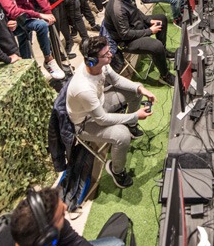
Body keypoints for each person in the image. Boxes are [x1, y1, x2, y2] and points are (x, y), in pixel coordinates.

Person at [66, 37, 155, 189]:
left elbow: (117, 80)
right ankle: (117, 171)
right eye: (106, 54)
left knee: (135, 89)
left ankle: (132, 126)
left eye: (108, 51)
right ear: (92, 61)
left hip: (100, 104)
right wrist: (134, 115)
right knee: (122, 135)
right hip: (85, 123)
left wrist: (140, 88)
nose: (111, 55)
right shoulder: (83, 88)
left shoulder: (101, 65)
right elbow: (102, 119)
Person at [104, 0, 175, 86]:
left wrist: (148, 20)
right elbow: (125, 34)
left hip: (134, 27)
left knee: (161, 19)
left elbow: (136, 12)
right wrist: (149, 31)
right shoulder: (118, 9)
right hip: (126, 41)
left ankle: (163, 53)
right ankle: (165, 75)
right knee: (156, 46)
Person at [9, 186, 126, 246]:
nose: (66, 207)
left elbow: (75, 243)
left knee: (117, 244)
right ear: (46, 238)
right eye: (61, 215)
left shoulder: (45, 225)